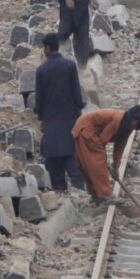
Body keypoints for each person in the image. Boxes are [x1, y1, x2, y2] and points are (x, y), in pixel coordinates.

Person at [34, 33, 85, 192]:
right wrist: (79, 109)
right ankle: (78, 188)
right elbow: (76, 92)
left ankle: (59, 188)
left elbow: (39, 98)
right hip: (70, 118)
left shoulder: (41, 69)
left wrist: (40, 116)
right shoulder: (69, 65)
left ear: (47, 48)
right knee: (71, 152)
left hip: (51, 120)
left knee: (54, 155)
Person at [72, 106, 140, 205]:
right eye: (138, 127)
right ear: (135, 121)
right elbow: (103, 140)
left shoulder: (128, 126)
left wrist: (116, 167)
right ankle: (106, 195)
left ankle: (96, 195)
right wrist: (104, 159)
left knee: (90, 165)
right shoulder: (117, 120)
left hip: (90, 132)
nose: (136, 129)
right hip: (86, 129)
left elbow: (120, 147)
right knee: (97, 164)